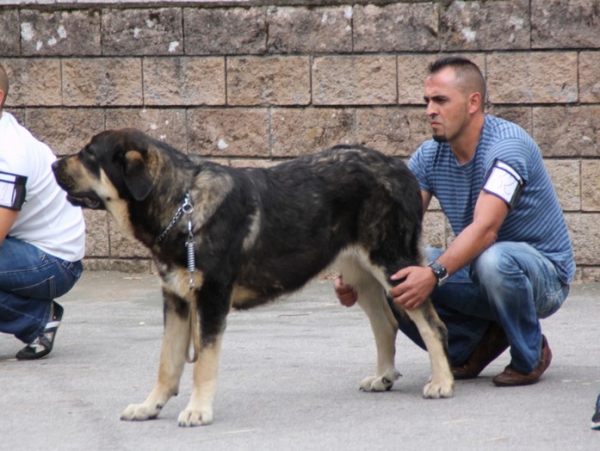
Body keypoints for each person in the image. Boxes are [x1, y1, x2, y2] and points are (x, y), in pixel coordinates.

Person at [335, 56, 574, 386]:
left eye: (440, 100)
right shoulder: (430, 155)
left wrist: (432, 275)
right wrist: (354, 276)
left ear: (473, 102)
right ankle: (471, 346)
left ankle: (529, 355)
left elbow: (486, 230)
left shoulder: (507, 147)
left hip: (542, 278)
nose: (430, 110)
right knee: (398, 274)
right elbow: (393, 230)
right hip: (480, 271)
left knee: (493, 261)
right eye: (427, 101)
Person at [0, 63, 85, 360]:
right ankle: (36, 316)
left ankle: (36, 319)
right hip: (26, 247)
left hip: (55, 261)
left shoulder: (9, 155)